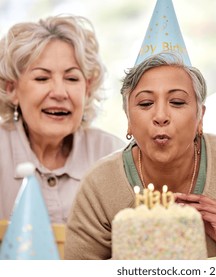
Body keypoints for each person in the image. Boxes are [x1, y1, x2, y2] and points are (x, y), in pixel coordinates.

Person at [65, 52, 216, 260]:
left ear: (200, 117)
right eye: (146, 103)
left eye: (177, 102)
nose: (161, 115)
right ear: (128, 120)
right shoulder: (100, 184)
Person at [0, 15, 126, 224]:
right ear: (11, 89)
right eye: (42, 78)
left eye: (71, 78)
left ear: (87, 89)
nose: (60, 93)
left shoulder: (113, 156)